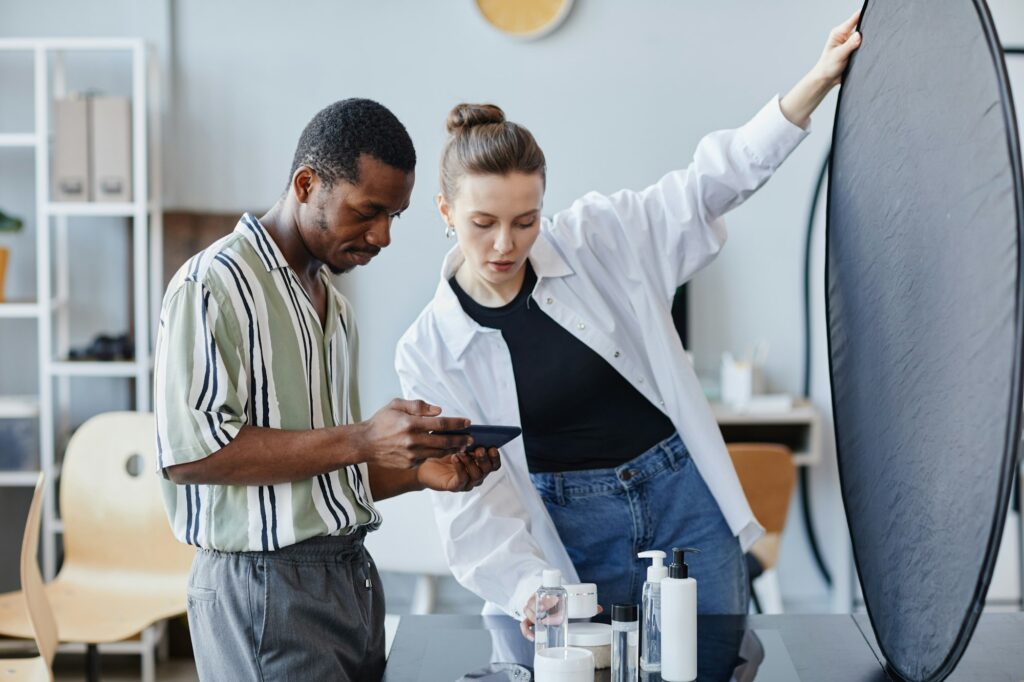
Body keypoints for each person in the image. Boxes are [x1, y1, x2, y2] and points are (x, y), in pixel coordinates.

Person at [395, 13, 862, 637]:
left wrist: (817, 81)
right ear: (446, 211)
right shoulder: (430, 349)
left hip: (683, 508)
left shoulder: (598, 238)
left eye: (527, 220)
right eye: (484, 223)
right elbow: (473, 501)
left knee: (716, 666)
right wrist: (529, 588)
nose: (507, 244)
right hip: (567, 534)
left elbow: (708, 186)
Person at [154, 98, 501, 681]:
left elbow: (320, 474)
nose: (384, 235)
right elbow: (192, 455)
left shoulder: (335, 309)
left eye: (395, 215)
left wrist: (418, 471)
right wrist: (364, 438)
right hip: (265, 589)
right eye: (369, 211)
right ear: (307, 184)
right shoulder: (212, 284)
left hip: (350, 579)